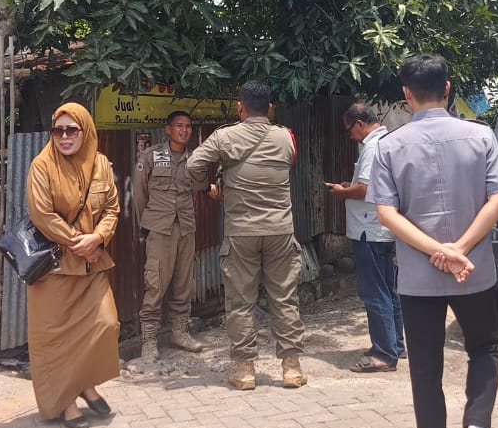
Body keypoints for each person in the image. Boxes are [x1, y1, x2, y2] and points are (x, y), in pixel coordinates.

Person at [369, 53, 498, 428]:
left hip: (419, 277)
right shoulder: (481, 136)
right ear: (448, 88)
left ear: (406, 93)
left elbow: (386, 213)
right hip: (474, 270)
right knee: (484, 348)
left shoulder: (389, 146)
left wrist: (437, 251)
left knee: (425, 365)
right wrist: (460, 249)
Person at [188, 81, 307, 390]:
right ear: (270, 108)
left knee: (240, 302)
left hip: (241, 232)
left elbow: (193, 164)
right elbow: (289, 162)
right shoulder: (286, 137)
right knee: (284, 297)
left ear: (240, 107)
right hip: (280, 230)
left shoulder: (224, 137)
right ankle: (292, 368)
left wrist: (206, 187)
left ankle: (245, 371)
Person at [25, 103, 121, 428]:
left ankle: (84, 383)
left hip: (92, 265)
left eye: (71, 130)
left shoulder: (101, 164)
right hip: (55, 269)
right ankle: (66, 402)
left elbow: (112, 208)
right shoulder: (42, 165)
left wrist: (99, 237)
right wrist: (80, 243)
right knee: (57, 339)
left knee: (106, 324)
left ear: (85, 131)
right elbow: (42, 214)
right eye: (58, 130)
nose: (64, 137)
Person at [326, 102, 406, 372]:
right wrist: (351, 187)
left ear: (359, 123)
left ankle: (384, 354)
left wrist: (342, 192)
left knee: (374, 292)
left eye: (350, 129)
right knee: (388, 289)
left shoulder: (372, 147)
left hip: (368, 229)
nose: (350, 135)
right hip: (380, 227)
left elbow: (366, 189)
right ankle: (395, 345)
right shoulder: (387, 142)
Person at [133, 110, 204, 361]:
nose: (184, 130)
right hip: (160, 229)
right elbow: (139, 194)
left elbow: (200, 185)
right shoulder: (151, 156)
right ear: (167, 129)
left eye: (188, 126)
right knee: (156, 284)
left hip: (186, 228)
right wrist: (148, 224)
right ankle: (149, 341)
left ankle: (180, 333)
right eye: (179, 125)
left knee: (183, 283)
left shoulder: (193, 158)